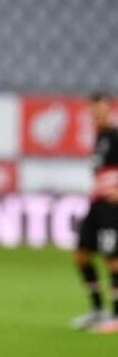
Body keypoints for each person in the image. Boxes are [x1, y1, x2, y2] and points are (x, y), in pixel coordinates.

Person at [71, 91, 118, 333]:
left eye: (101, 111)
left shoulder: (116, 136)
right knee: (81, 255)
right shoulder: (100, 137)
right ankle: (98, 309)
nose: (97, 115)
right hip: (97, 202)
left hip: (112, 206)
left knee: (113, 258)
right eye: (94, 112)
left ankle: (116, 315)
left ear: (110, 110)